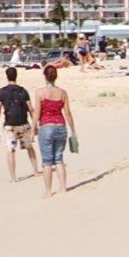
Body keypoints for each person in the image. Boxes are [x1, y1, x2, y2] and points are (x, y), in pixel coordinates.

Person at [35, 63, 77, 197]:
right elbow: (68, 113)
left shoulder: (40, 92)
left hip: (46, 127)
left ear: (45, 77)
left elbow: (37, 113)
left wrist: (32, 129)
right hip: (60, 126)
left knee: (47, 161)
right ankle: (63, 187)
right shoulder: (63, 93)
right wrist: (73, 131)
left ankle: (48, 191)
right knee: (59, 159)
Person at [0, 67, 40, 182]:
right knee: (29, 147)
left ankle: (13, 178)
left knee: (11, 150)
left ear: (7, 76)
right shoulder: (22, 91)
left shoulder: (2, 91)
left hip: (10, 125)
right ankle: (35, 171)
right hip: (23, 123)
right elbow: (31, 109)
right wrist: (35, 125)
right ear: (16, 76)